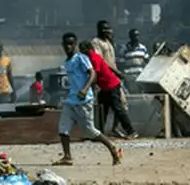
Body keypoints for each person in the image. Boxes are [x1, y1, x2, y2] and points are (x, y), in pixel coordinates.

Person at [52, 32, 122, 167]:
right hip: (71, 101)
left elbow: (93, 73)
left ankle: (112, 147)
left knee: (90, 131)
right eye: (66, 44)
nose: (68, 47)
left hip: (84, 101)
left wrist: (85, 89)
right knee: (63, 129)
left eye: (71, 44)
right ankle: (67, 157)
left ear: (75, 45)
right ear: (62, 45)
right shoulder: (67, 62)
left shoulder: (81, 58)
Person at [80, 40, 138, 139]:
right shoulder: (93, 57)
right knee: (102, 109)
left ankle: (131, 131)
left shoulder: (93, 58)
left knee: (118, 108)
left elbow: (95, 74)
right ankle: (100, 133)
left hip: (111, 86)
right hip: (105, 87)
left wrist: (89, 88)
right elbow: (106, 66)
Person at [90, 20, 126, 134]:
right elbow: (101, 61)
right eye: (103, 29)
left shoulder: (109, 42)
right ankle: (100, 131)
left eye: (108, 28)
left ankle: (114, 128)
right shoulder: (96, 42)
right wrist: (117, 71)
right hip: (104, 79)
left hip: (113, 79)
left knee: (122, 103)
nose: (106, 31)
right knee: (104, 106)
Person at [121, 28, 151, 93]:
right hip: (129, 77)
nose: (136, 37)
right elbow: (121, 64)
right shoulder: (125, 49)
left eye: (137, 35)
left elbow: (147, 62)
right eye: (134, 36)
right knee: (132, 95)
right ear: (130, 37)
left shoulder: (143, 48)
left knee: (141, 95)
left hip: (140, 76)